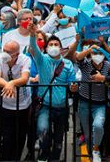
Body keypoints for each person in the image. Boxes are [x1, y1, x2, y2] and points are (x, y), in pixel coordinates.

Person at [28, 27, 75, 162]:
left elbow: (72, 83)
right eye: (51, 44)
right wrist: (32, 35)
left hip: (62, 107)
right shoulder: (41, 60)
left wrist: (73, 87)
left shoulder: (68, 64)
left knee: (59, 138)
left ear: (61, 49)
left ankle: (54, 158)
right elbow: (34, 48)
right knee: (42, 130)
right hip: (45, 105)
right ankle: (44, 151)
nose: (53, 47)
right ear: (46, 47)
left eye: (56, 45)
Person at [73, 39, 110, 162]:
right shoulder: (86, 64)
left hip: (100, 104)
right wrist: (90, 49)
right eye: (95, 53)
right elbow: (77, 57)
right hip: (84, 103)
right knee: (88, 133)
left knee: (98, 126)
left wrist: (104, 78)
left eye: (100, 53)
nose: (97, 56)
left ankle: (96, 149)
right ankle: (92, 154)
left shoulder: (107, 65)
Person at [0, 40, 32, 161]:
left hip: (22, 105)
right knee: (6, 136)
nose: (5, 54)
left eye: (9, 52)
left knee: (20, 136)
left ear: (16, 54)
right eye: (4, 50)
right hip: (4, 104)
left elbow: (24, 78)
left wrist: (13, 83)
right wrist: (9, 85)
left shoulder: (25, 59)